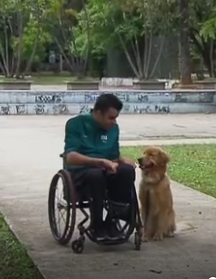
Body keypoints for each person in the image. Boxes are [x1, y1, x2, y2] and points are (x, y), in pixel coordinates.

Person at [64, 93, 136, 241]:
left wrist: (122, 160)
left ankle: (112, 220)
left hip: (107, 169)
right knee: (95, 175)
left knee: (127, 171)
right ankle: (96, 224)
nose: (113, 122)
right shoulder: (76, 124)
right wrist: (100, 162)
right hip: (81, 172)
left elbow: (114, 155)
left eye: (116, 118)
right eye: (110, 117)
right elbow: (70, 156)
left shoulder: (114, 129)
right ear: (98, 112)